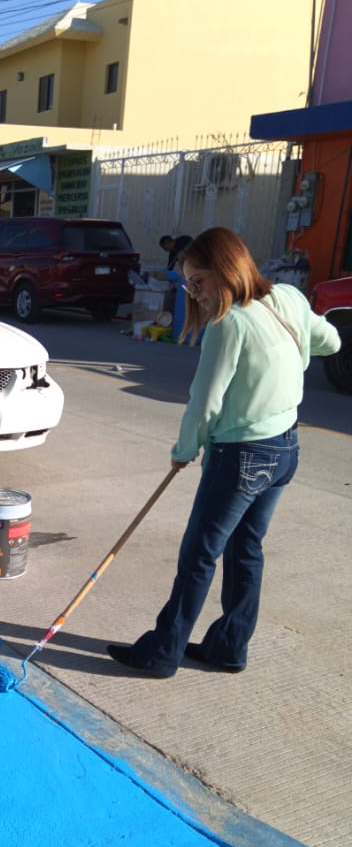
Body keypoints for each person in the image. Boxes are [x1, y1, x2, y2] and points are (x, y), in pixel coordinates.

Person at [107, 226, 341, 678]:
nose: (193, 294)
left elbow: (205, 401)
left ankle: (162, 652)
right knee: (245, 549)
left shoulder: (228, 324)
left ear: (226, 270)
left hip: (241, 457)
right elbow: (330, 340)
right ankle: (229, 647)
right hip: (285, 449)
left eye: (198, 282)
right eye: (187, 285)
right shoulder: (289, 298)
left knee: (199, 553)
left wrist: (184, 449)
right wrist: (289, 357)